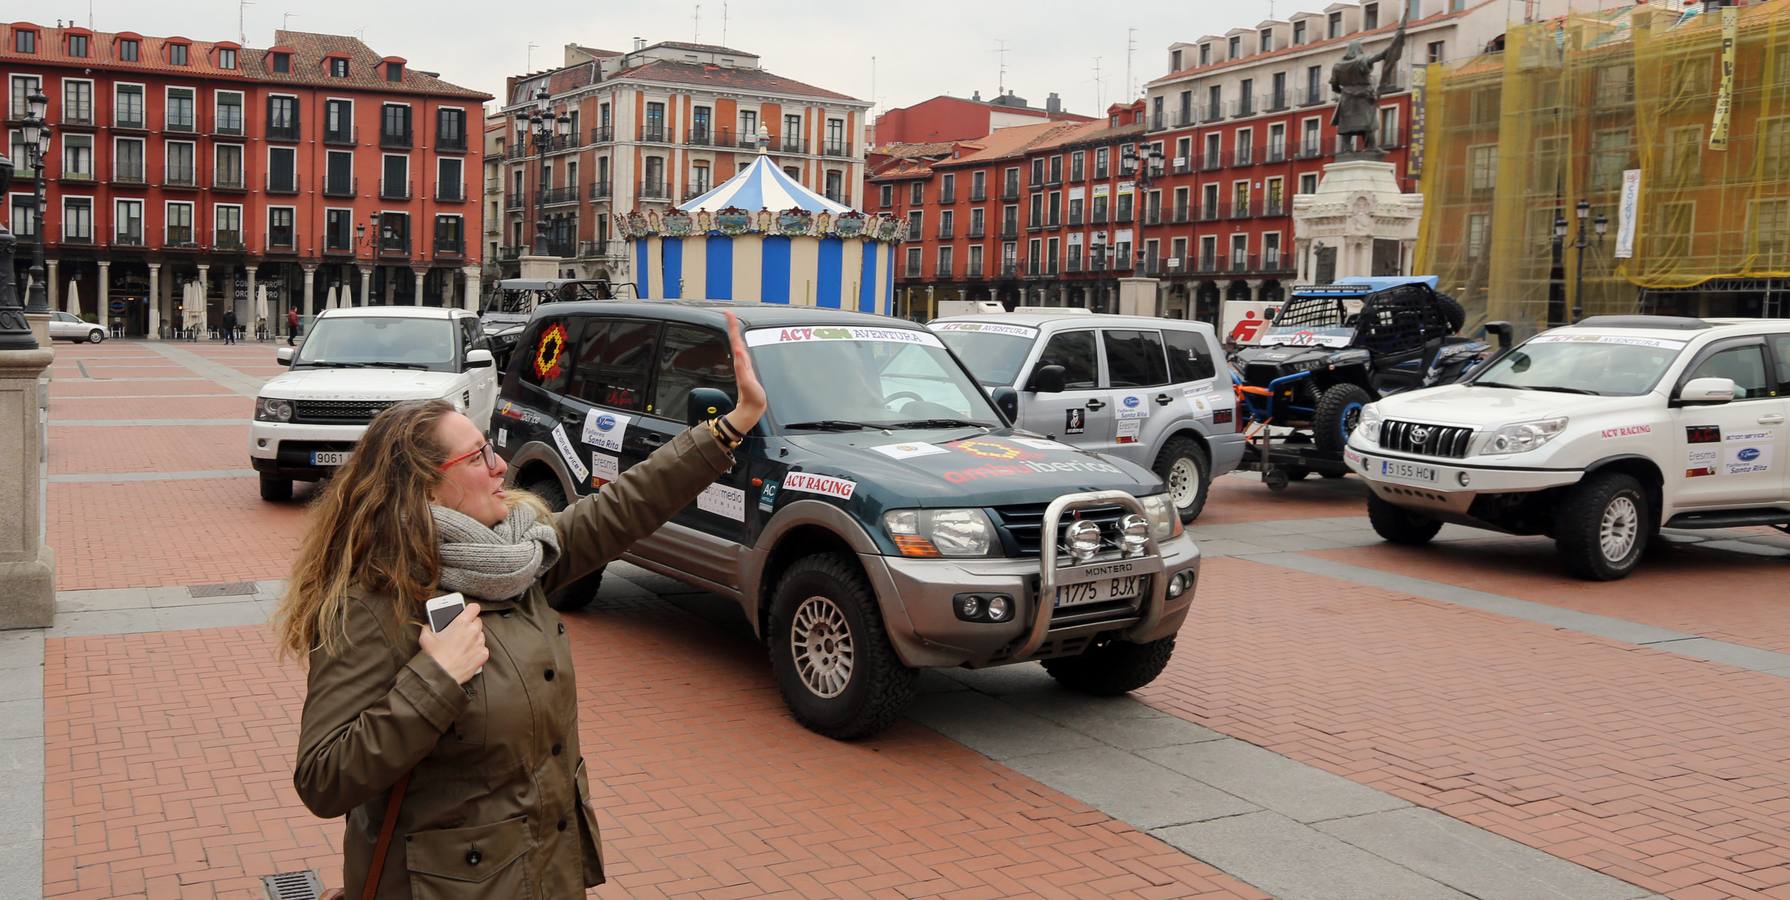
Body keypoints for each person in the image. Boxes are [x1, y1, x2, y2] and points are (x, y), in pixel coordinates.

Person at [278, 313, 765, 899]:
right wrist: (433, 681)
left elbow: (622, 508)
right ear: (426, 485)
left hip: (544, 874)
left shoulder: (514, 559)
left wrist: (730, 428)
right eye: (480, 456)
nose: (501, 466)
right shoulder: (376, 599)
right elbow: (323, 778)